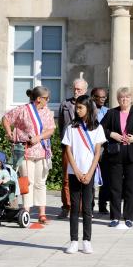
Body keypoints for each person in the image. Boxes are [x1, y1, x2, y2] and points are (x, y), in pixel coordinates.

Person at [2, 85, 56, 225]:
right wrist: (9, 133)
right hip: (25, 151)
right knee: (28, 181)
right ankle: (26, 210)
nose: (48, 100)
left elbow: (51, 130)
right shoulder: (22, 110)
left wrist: (39, 137)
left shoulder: (47, 112)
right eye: (46, 98)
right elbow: (6, 118)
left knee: (41, 182)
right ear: (39, 99)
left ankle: (42, 213)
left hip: (42, 151)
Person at [100, 87, 133, 228]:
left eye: (127, 97)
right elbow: (100, 128)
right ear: (118, 99)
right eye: (122, 97)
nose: (124, 99)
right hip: (115, 154)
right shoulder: (112, 113)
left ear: (131, 98)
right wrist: (111, 134)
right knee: (115, 187)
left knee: (131, 187)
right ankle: (115, 217)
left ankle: (129, 217)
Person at [62, 94, 105, 254]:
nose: (77, 110)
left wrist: (89, 172)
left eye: (80, 107)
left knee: (87, 207)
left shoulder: (97, 128)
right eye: (76, 107)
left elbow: (97, 152)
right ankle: (73, 240)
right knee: (74, 207)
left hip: (89, 173)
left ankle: (87, 240)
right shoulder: (71, 128)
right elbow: (68, 151)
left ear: (88, 108)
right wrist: (77, 171)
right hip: (74, 173)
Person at [57, 78, 89, 218]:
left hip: (84, 147)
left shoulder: (90, 105)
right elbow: (61, 125)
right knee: (66, 178)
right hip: (68, 145)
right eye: (75, 89)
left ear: (85, 91)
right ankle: (67, 206)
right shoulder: (65, 104)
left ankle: (82, 208)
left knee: (84, 176)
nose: (76, 92)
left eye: (79, 90)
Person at [91, 87, 110, 214]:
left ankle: (103, 205)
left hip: (104, 149)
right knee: (91, 177)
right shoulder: (88, 111)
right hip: (90, 148)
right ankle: (89, 205)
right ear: (93, 97)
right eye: (99, 97)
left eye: (104, 97)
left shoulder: (108, 111)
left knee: (105, 177)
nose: (102, 99)